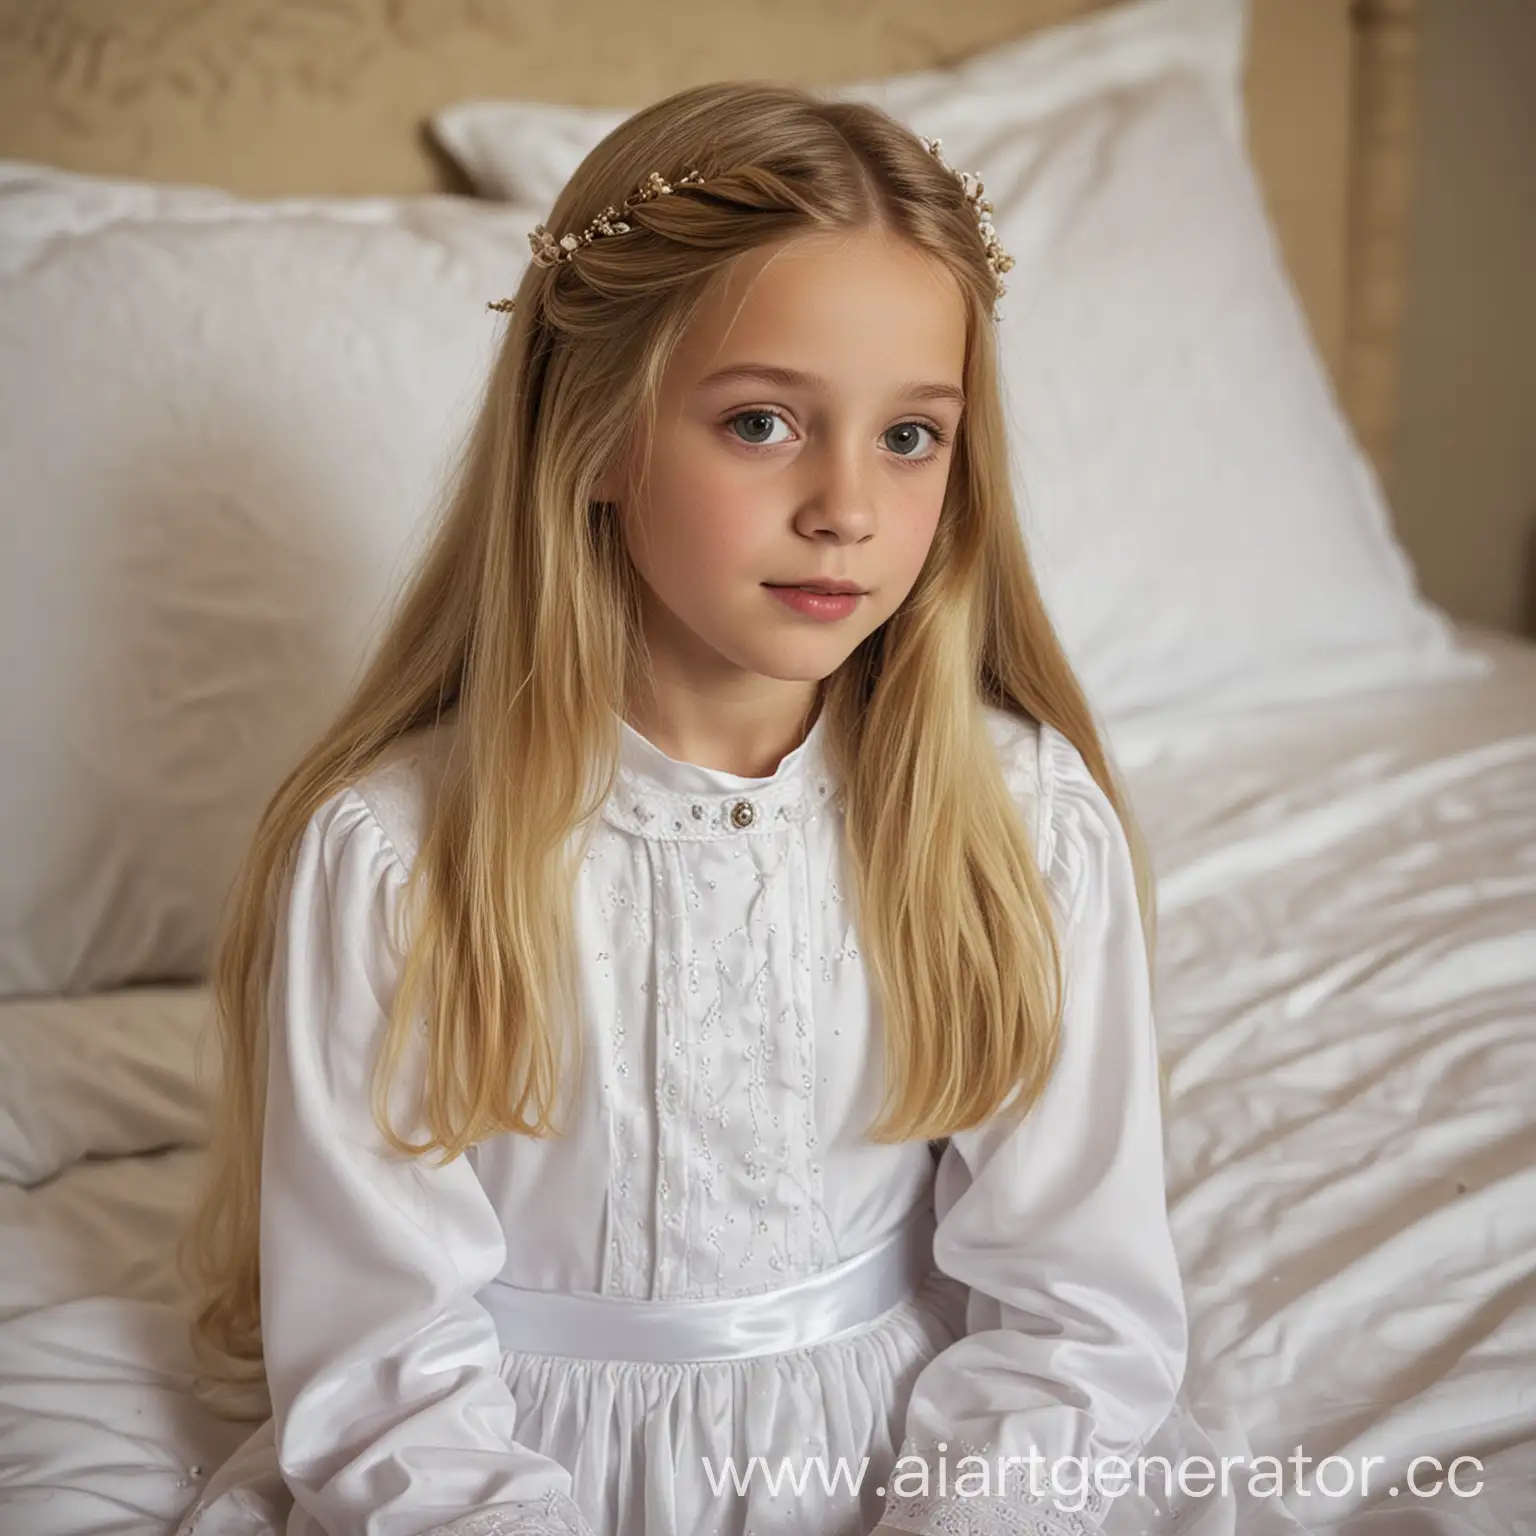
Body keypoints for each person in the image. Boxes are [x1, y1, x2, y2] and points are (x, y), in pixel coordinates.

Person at [174, 80, 1315, 1536]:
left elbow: (1076, 1313)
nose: (847, 504)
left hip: (922, 1463)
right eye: (764, 421)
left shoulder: (1019, 825)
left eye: (911, 437)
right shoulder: (397, 857)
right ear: (591, 438)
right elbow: (384, 1375)